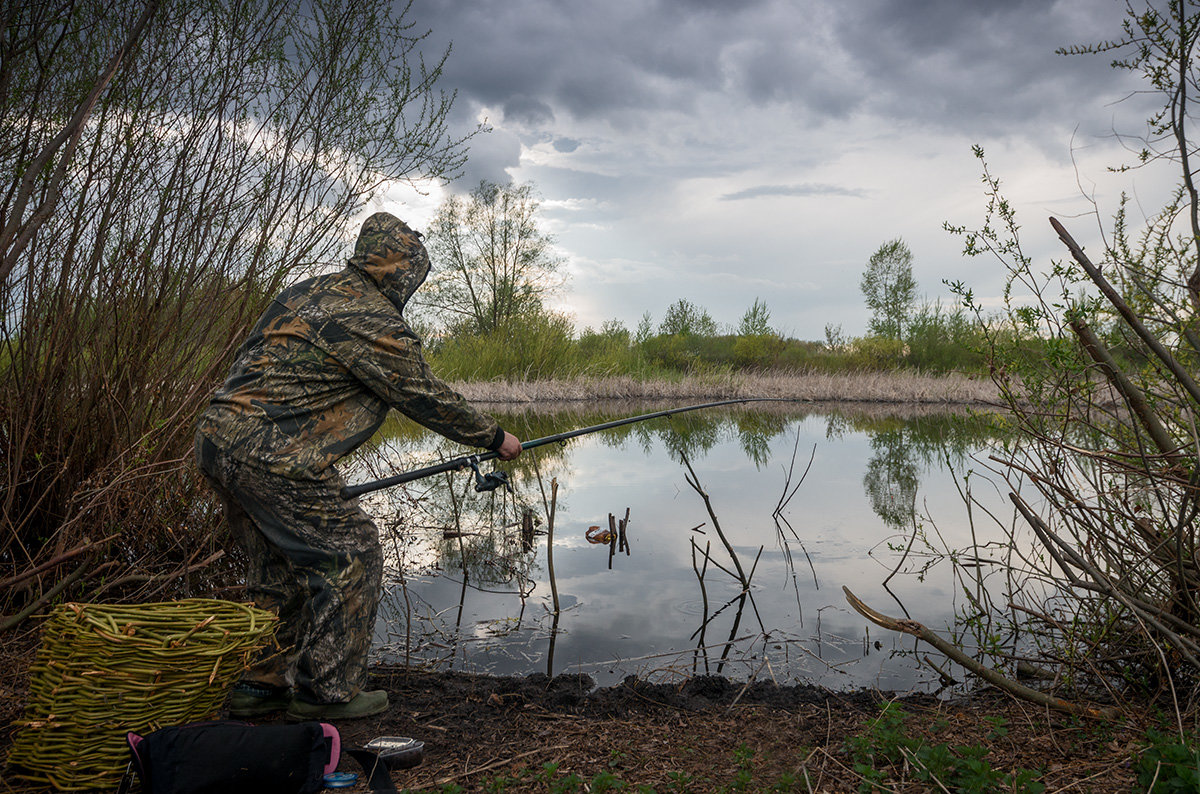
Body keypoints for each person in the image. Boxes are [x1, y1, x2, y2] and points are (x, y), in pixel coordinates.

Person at [195, 212, 522, 720]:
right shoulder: (371, 318)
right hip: (274, 454)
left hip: (219, 441)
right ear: (402, 269)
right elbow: (421, 393)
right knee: (353, 552)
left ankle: (258, 687)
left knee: (276, 572)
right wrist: (495, 437)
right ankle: (327, 693)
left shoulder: (307, 292)